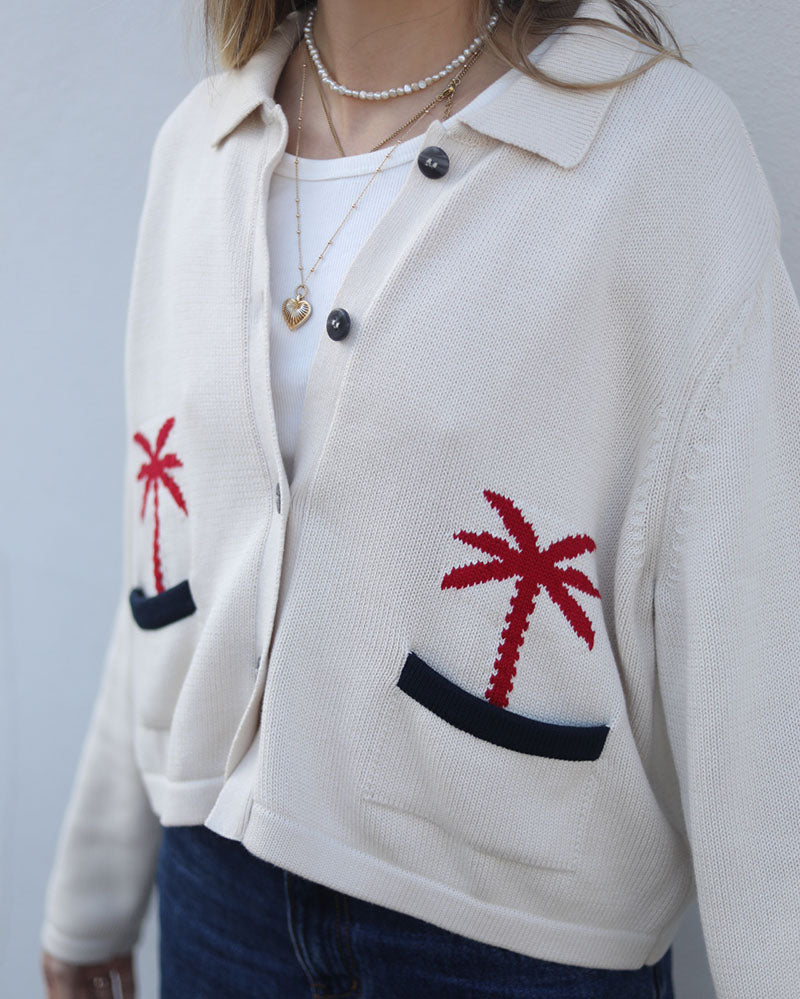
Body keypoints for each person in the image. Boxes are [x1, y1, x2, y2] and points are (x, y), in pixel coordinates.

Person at [41, 0, 800, 996]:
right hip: (216, 902)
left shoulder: (654, 154)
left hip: (513, 949)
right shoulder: (203, 141)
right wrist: (93, 887)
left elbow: (751, 641)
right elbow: (171, 559)